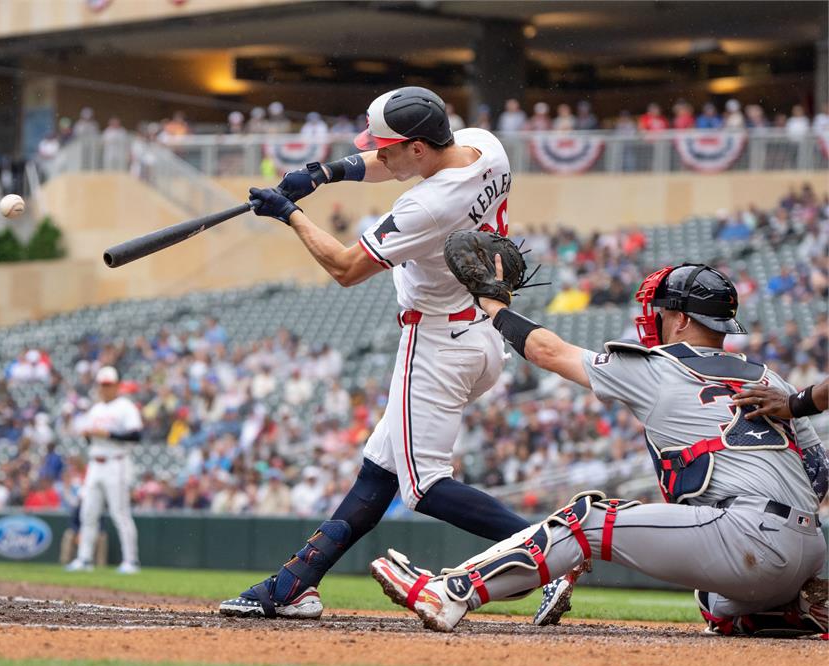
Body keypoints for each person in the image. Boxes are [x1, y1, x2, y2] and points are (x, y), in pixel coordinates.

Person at [219, 86, 563, 621]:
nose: (378, 155)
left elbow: (345, 268)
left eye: (387, 147)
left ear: (419, 149)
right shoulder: (483, 145)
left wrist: (290, 214)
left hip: (436, 342)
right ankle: (294, 584)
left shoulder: (428, 204)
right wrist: (323, 174)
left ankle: (553, 553)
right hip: (477, 333)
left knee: (423, 487)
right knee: (378, 473)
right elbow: (388, 164)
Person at [372, 257, 827, 636]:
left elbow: (550, 352)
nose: (654, 319)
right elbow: (819, 475)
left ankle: (452, 591)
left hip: (748, 539)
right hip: (810, 549)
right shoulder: (771, 379)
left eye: (662, 311)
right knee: (712, 597)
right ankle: (785, 610)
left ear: (682, 319)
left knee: (585, 519)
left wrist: (494, 306)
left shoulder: (659, 366)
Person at [66, 366, 143, 574]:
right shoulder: (96, 409)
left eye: (108, 384)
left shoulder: (125, 406)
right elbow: (91, 438)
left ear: (117, 385)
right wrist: (88, 433)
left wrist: (108, 434)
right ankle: (84, 559)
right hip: (95, 464)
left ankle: (131, 561)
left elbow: (136, 436)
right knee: (88, 513)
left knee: (120, 513)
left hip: (116, 463)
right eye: (102, 384)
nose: (105, 388)